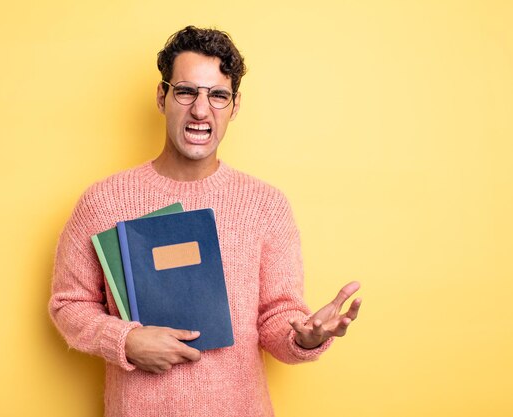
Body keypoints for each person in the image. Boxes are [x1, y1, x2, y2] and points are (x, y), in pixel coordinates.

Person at [49, 26, 362, 417]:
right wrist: (125, 340)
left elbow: (277, 317)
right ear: (162, 97)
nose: (201, 109)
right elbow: (69, 304)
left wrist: (307, 336)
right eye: (186, 91)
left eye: (218, 95)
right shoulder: (104, 201)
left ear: (235, 105)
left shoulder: (265, 205)